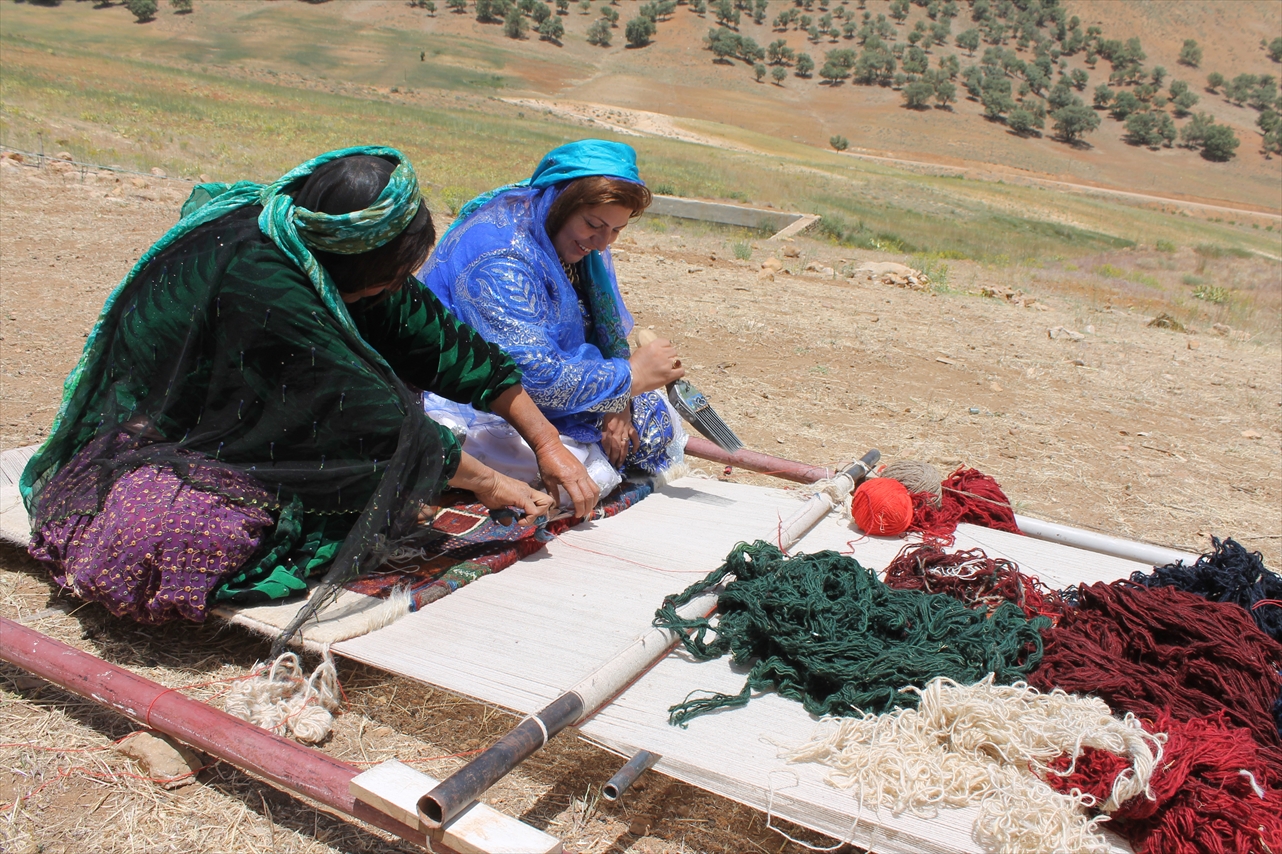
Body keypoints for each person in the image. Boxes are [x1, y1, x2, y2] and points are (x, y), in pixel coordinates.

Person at [21, 147, 599, 628]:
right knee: (180, 533)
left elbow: (442, 343)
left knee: (386, 467)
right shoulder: (264, 281)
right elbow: (362, 413)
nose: (395, 286)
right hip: (199, 417)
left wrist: (545, 443)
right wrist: (492, 483)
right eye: (389, 276)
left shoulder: (341, 249)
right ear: (350, 265)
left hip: (281, 393)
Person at [419, 139, 687, 503]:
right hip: (476, 394)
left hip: (547, 383)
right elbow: (529, 377)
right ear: (563, 202)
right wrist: (628, 379)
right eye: (594, 224)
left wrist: (618, 401)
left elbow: (597, 328)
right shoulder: (500, 256)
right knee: (581, 466)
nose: (602, 243)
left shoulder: (560, 237)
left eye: (616, 230)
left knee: (655, 422)